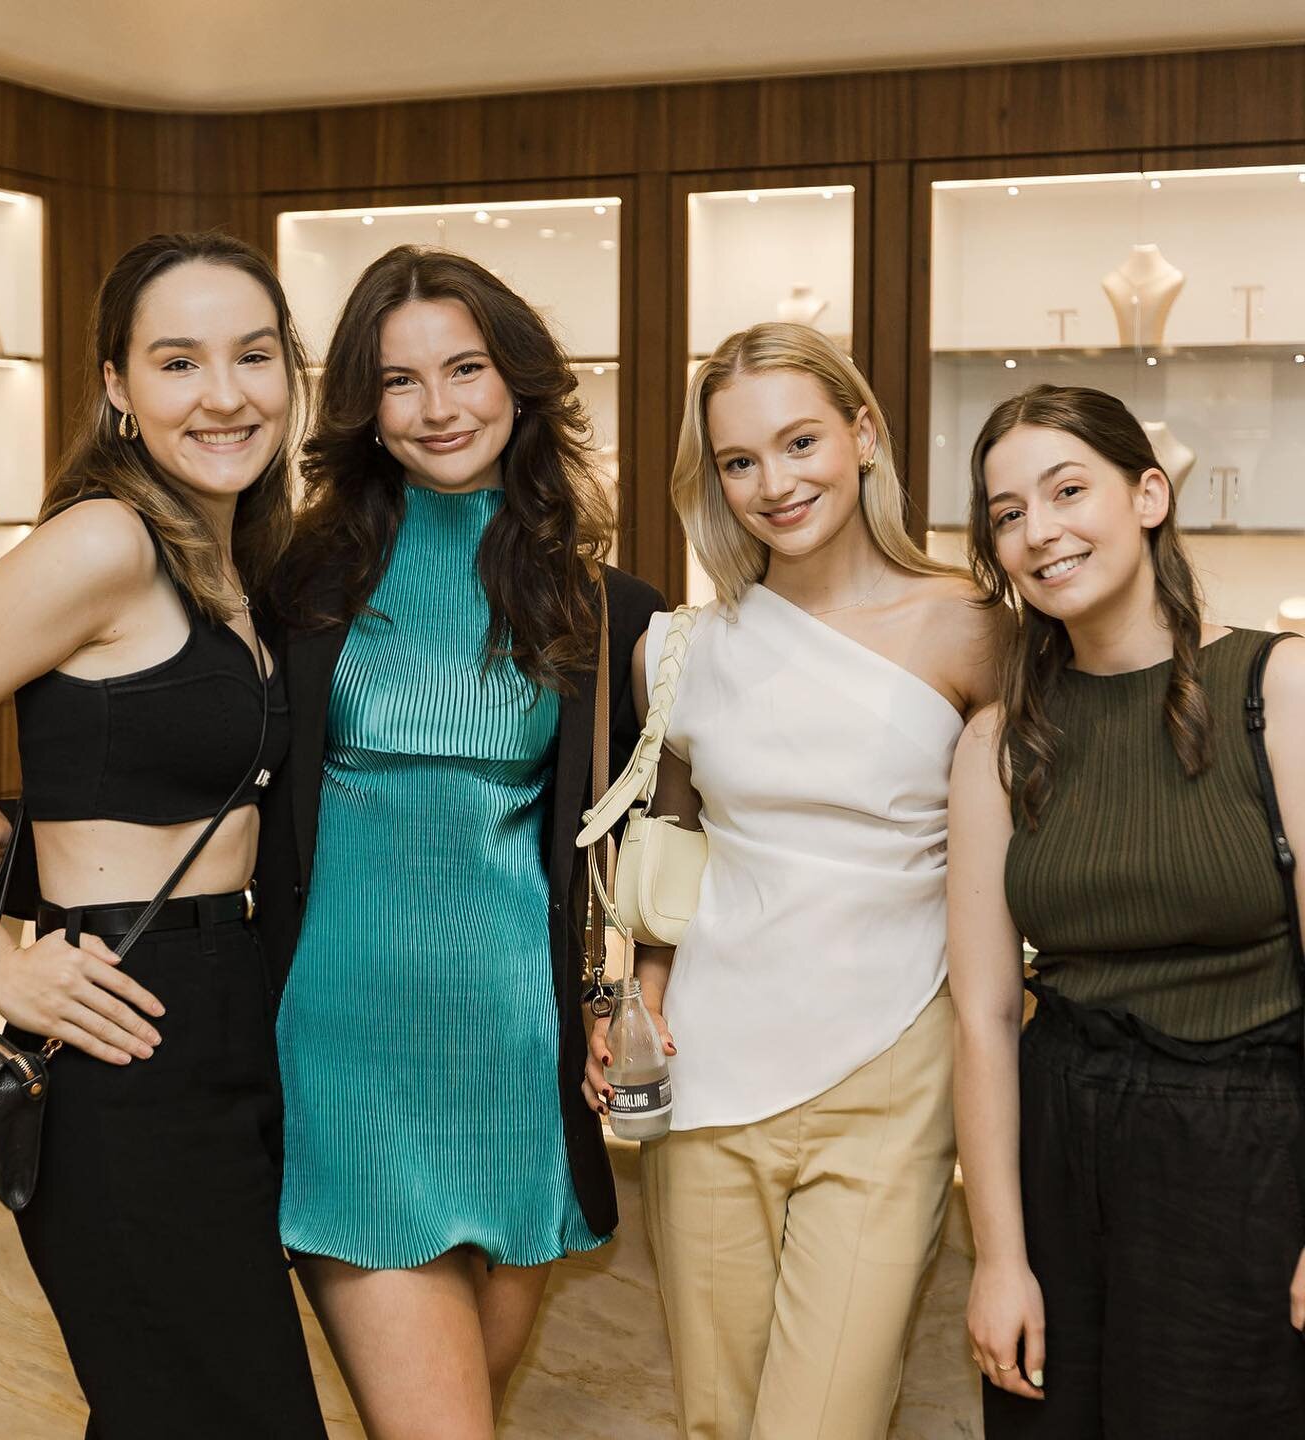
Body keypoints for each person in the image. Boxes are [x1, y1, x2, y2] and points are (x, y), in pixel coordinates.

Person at [0, 232, 328, 1439]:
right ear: (118, 388)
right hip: (130, 1042)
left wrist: (16, 839)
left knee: (170, 1404)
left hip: (230, 1015)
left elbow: (159, 774)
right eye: (178, 362)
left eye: (255, 355)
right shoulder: (105, 540)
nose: (224, 393)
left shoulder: (226, 554)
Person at [257, 244, 662, 1440]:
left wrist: (621, 993)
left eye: (467, 368)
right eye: (399, 382)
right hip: (341, 1048)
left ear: (520, 382)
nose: (439, 408)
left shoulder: (608, 607)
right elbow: (195, 771)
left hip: (514, 1057)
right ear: (363, 411)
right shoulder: (292, 581)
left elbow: (633, 841)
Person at [584, 321, 998, 1439]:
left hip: (894, 1071)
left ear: (862, 433)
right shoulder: (678, 650)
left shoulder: (969, 627)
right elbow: (674, 840)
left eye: (801, 440)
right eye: (739, 460)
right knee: (717, 1420)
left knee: (824, 1423)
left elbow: (1026, 849)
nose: (776, 482)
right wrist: (646, 997)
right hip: (709, 1072)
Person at [948, 383, 1305, 1438]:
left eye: (1068, 490)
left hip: (1251, 1160)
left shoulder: (1275, 691)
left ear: (1149, 495)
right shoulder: (998, 741)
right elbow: (980, 1019)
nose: (1039, 532)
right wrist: (1000, 1260)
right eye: (1007, 515)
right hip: (1064, 1162)